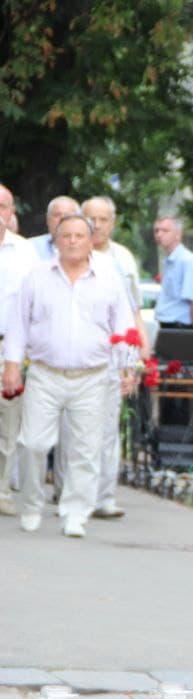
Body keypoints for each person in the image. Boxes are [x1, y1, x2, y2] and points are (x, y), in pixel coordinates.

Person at [2, 214, 133, 537]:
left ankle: (76, 512)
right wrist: (12, 366)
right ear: (56, 241)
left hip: (93, 375)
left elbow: (123, 325)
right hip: (46, 374)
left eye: (79, 236)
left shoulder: (108, 278)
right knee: (32, 443)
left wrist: (128, 366)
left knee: (85, 448)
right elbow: (19, 324)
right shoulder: (37, 276)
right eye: (66, 236)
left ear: (91, 240)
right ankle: (31, 505)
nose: (72, 241)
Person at [82, 196, 149, 519]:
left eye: (103, 219)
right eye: (90, 218)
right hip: (77, 356)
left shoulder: (122, 259)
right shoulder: (68, 254)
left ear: (112, 222)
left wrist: (136, 358)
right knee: (77, 431)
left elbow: (132, 311)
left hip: (112, 356)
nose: (96, 225)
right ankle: (74, 492)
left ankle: (103, 496)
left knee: (108, 429)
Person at [0, 183, 38, 516]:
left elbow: (35, 305)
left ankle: (1, 490)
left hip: (8, 349)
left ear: (12, 213)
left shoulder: (26, 253)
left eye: (3, 207)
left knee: (8, 424)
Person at [152, 216, 193, 331]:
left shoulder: (187, 261)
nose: (159, 234)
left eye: (165, 230)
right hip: (167, 324)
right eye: (157, 230)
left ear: (178, 234)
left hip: (180, 326)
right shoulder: (169, 261)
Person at [30, 196, 79, 261]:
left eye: (67, 215)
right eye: (57, 215)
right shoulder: (30, 246)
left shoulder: (86, 246)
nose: (62, 219)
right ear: (48, 220)